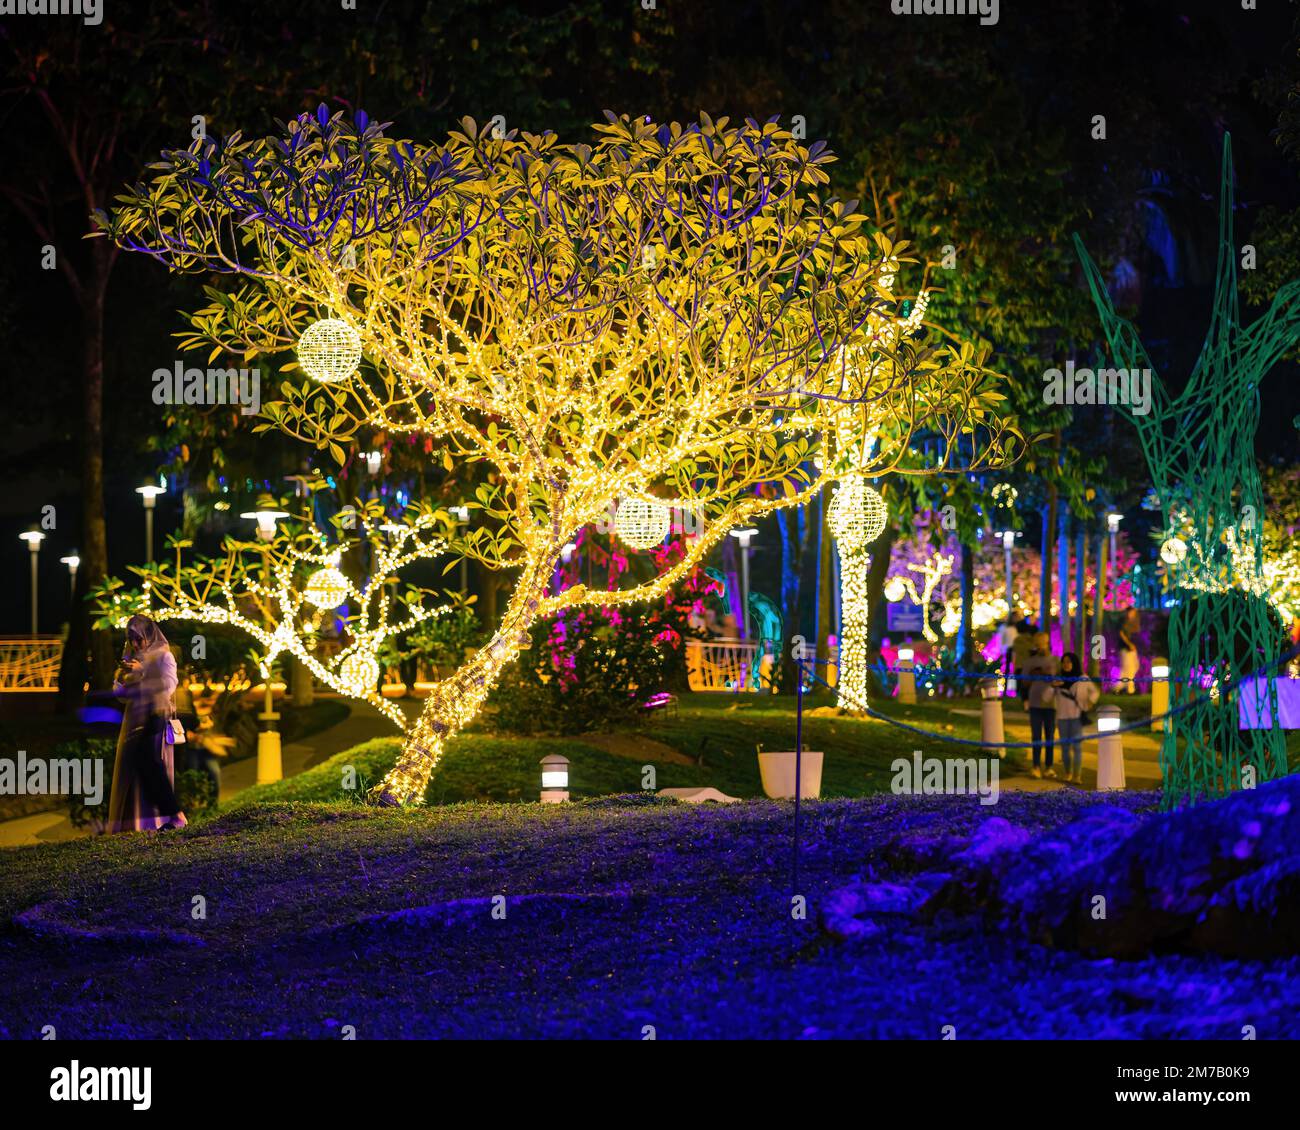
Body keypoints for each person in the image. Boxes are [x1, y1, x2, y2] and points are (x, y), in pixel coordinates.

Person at [105, 615, 187, 833]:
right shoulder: (132, 658)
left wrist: (142, 673)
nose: (135, 643)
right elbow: (123, 695)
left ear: (149, 635)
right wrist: (121, 679)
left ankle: (163, 819)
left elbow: (167, 687)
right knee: (132, 771)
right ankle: (132, 824)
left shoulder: (164, 656)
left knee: (150, 765)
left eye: (138, 638)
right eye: (131, 638)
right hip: (133, 720)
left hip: (154, 718)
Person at [1054, 651, 1099, 784]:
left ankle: (1077, 775)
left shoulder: (1082, 678)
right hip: (1062, 718)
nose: (1066, 664)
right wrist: (1051, 686)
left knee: (1077, 747)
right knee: (1065, 748)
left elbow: (1095, 692)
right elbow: (1046, 697)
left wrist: (1090, 703)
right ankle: (1068, 773)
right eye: (1064, 662)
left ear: (1074, 663)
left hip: (1076, 717)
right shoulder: (1058, 678)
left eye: (1069, 661)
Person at [1022, 631, 1058, 778]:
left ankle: (1049, 767)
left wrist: (1048, 675)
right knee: (1036, 735)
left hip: (1051, 704)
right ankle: (1036, 766)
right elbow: (1024, 682)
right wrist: (1032, 675)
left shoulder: (1055, 661)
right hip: (1035, 703)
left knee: (1049, 736)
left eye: (1041, 644)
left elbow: (1060, 681)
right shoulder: (1029, 662)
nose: (1039, 647)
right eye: (1037, 644)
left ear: (1047, 642)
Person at [1118, 607, 1141, 695]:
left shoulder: (1133, 622)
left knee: (1134, 667)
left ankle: (1123, 688)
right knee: (1128, 669)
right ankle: (1129, 689)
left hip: (1132, 649)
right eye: (1131, 612)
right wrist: (1129, 644)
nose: (1133, 614)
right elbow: (1121, 634)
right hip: (1126, 649)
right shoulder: (1124, 622)